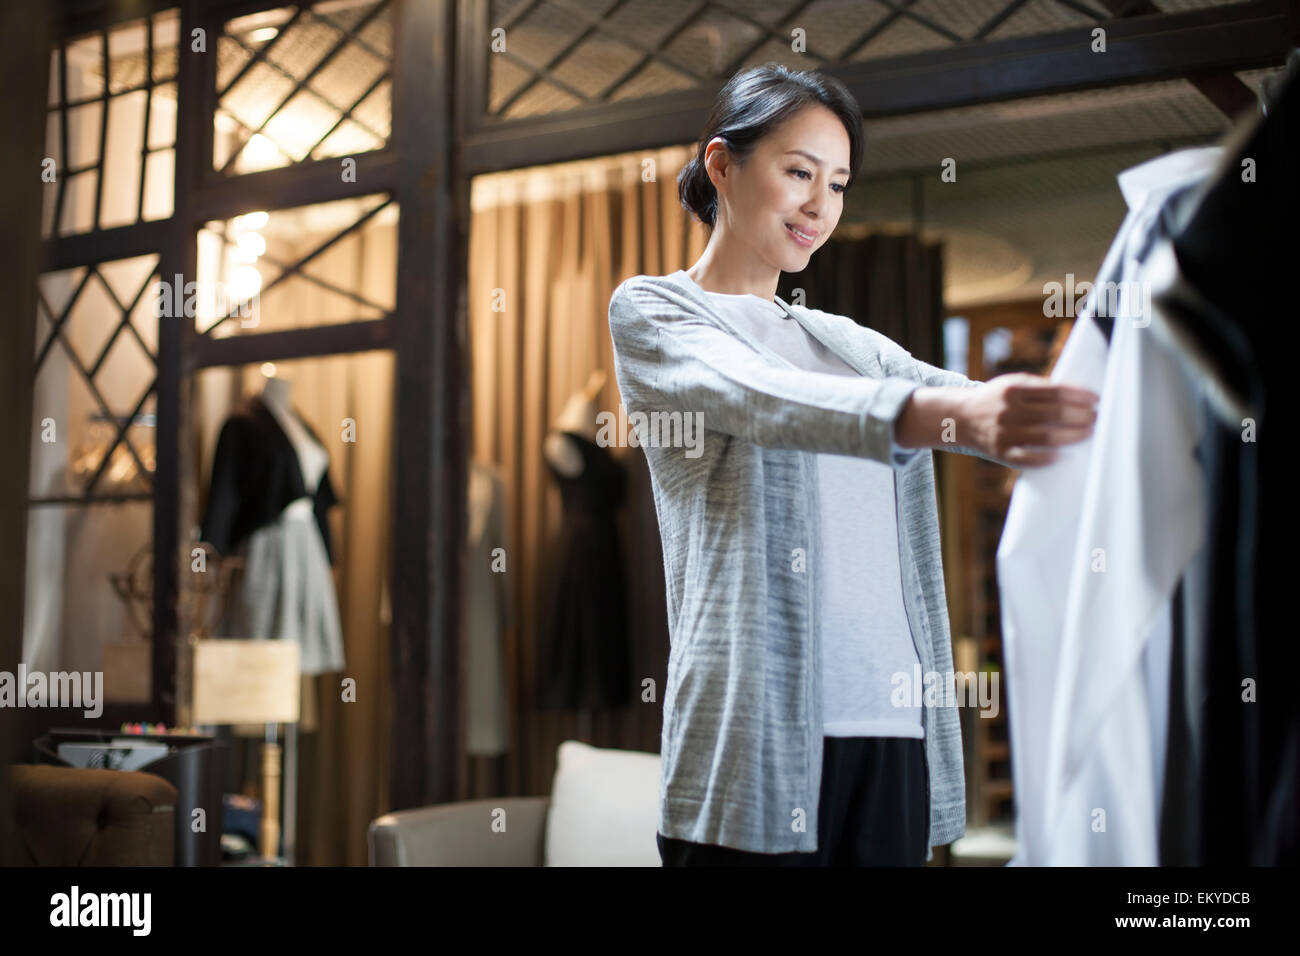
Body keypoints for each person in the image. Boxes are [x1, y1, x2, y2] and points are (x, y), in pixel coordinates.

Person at [607, 63, 1098, 867]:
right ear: (722, 165)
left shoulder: (845, 341)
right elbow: (764, 398)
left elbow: (973, 405)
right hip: (756, 732)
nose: (819, 207)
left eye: (837, 185)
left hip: (891, 725)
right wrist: (953, 413)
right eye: (798, 173)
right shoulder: (658, 311)